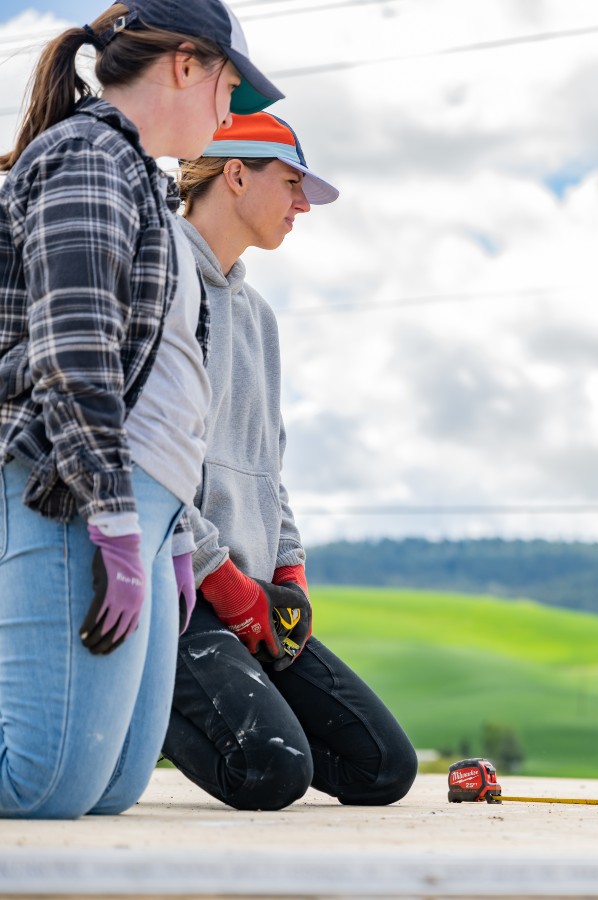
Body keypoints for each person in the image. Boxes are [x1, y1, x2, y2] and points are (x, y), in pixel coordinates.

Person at [0, 1, 280, 819]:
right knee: (41, 783)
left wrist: (167, 541)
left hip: (146, 508)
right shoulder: (86, 158)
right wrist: (113, 519)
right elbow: (75, 353)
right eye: (231, 88)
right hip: (75, 489)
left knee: (116, 785)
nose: (232, 115)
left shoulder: (137, 180)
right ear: (186, 65)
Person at [161, 112, 419, 811]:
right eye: (292, 184)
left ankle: (205, 695)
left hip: (250, 600)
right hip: (179, 596)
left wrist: (287, 570)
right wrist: (224, 584)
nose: (303, 204)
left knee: (384, 770)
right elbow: (146, 464)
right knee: (269, 770)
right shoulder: (160, 281)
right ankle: (140, 700)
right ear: (236, 174)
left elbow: (269, 470)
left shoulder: (259, 317)